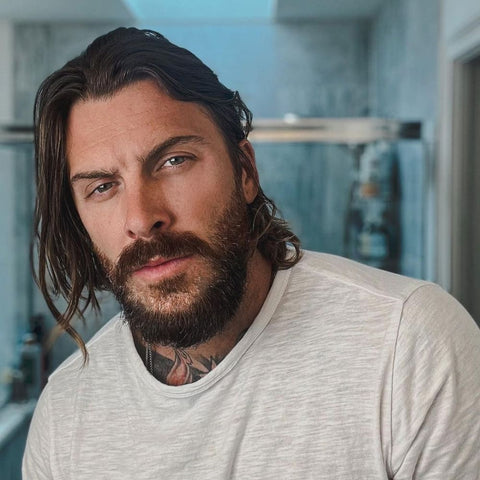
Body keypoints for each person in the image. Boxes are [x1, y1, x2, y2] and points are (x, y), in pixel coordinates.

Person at [23, 27, 480, 480]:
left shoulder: (409, 345)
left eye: (173, 161)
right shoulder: (66, 416)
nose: (142, 218)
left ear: (244, 170)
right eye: (102, 187)